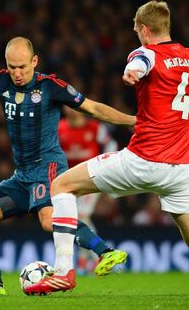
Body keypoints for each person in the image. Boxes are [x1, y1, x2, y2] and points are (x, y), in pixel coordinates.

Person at [25, 1, 189, 299]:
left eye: (137, 29)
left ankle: (62, 273)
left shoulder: (144, 53)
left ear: (145, 29)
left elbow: (139, 64)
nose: (136, 34)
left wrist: (131, 73)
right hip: (181, 168)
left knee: (62, 186)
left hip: (144, 158)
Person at [0, 29, 133, 296]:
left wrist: (134, 121)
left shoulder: (51, 86)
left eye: (22, 67)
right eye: (12, 67)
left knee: (49, 220)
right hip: (22, 175)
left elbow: (93, 108)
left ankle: (105, 252)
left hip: (48, 167)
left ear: (34, 61)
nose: (17, 73)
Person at [58, 106, 118, 274]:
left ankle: (89, 260)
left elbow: (111, 144)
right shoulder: (60, 127)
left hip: (91, 178)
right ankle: (95, 259)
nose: (70, 111)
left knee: (81, 216)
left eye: (73, 108)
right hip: (69, 180)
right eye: (67, 108)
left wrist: (107, 165)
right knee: (75, 218)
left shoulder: (94, 127)